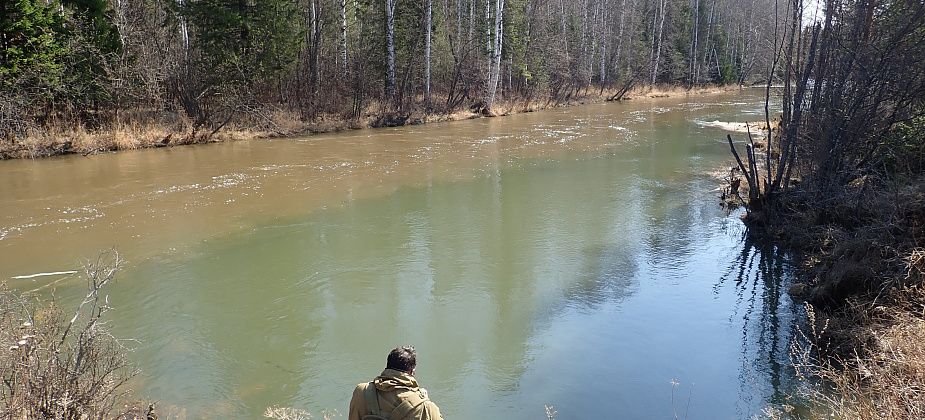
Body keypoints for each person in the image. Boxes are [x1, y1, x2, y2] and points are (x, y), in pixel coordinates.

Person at [348, 346, 444, 420]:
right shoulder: (426, 407)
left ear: (387, 366)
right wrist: (424, 400)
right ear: (412, 372)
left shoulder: (362, 391)